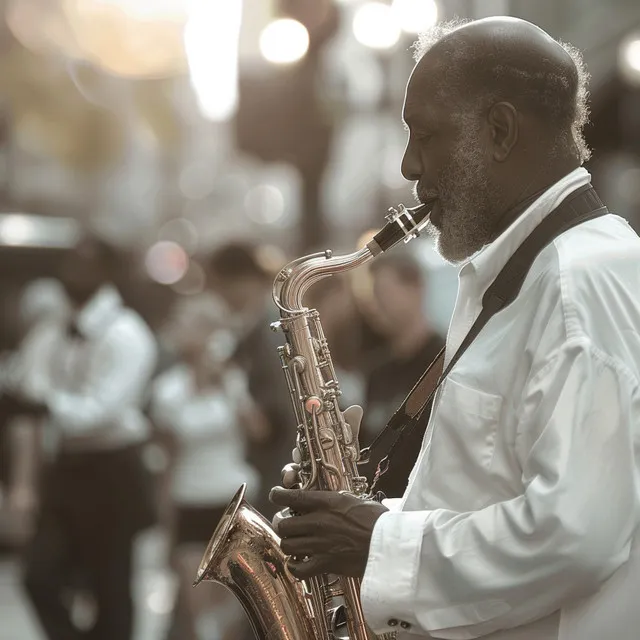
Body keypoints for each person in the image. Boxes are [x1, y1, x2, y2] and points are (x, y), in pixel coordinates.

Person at [270, 16, 640, 640]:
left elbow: (574, 536)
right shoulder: (521, 273)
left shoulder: (579, 283)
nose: (410, 166)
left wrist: (380, 541)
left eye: (425, 135)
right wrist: (355, 516)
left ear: (499, 131)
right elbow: (494, 495)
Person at [18, 235, 158, 640]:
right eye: (70, 264)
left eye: (86, 264)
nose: (73, 273)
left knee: (110, 588)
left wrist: (42, 403)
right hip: (66, 467)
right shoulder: (54, 328)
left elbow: (99, 411)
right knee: (39, 576)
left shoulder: (128, 333)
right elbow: (29, 380)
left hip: (112, 467)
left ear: (108, 272)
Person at [150, 295, 261, 640]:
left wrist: (228, 384)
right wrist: (165, 526)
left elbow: (258, 431)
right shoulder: (167, 390)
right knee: (197, 611)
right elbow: (166, 462)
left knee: (232, 608)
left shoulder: (233, 381)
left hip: (232, 500)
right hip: (189, 501)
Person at [207, 242, 291, 519]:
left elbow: (269, 424)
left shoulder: (269, 331)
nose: (219, 296)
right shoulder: (253, 327)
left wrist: (230, 382)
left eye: (219, 286)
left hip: (278, 468)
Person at [360, 252, 445, 498]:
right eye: (373, 296)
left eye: (383, 293)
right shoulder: (376, 370)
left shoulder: (445, 361)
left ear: (417, 288)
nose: (375, 305)